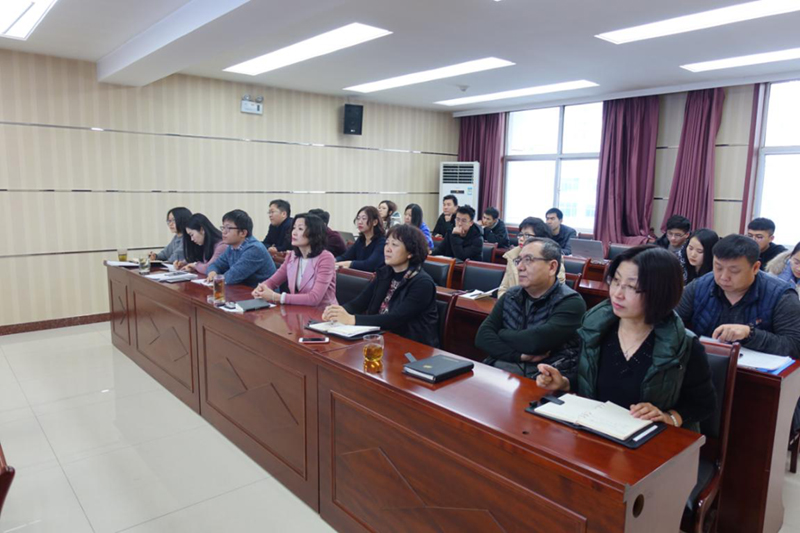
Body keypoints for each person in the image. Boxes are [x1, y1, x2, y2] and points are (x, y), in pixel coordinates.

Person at [537, 246, 717, 432]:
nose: (617, 293)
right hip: (596, 431)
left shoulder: (683, 344)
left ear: (660, 291)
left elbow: (703, 404)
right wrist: (564, 383)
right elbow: (589, 378)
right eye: (616, 281)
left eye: (631, 287)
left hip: (648, 440)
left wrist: (668, 417)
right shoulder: (595, 329)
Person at [476, 237, 586, 379]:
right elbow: (482, 337)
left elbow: (535, 342)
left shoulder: (570, 302)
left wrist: (501, 333)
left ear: (552, 267)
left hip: (544, 378)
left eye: (528, 260)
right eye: (519, 260)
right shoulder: (511, 295)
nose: (520, 267)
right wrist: (519, 356)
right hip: (503, 370)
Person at [676, 234, 800, 356]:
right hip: (705, 363)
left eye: (734, 271)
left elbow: (795, 345)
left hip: (755, 368)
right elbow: (672, 325)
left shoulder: (781, 296)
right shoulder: (699, 286)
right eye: (718, 268)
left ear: (755, 268)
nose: (724, 277)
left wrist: (750, 334)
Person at [322, 224, 439, 347]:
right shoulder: (384, 273)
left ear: (410, 252)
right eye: (387, 243)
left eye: (394, 245)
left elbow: (395, 318)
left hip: (413, 346)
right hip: (382, 338)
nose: (387, 249)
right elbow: (358, 303)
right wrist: (336, 312)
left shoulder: (422, 283)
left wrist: (352, 319)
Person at [252, 213, 337, 306]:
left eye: (300, 229)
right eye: (294, 228)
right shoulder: (292, 256)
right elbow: (273, 281)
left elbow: (314, 298)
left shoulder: (326, 258)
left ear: (314, 234)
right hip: (298, 310)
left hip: (324, 312)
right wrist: (261, 288)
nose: (294, 233)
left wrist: (276, 297)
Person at [207, 209, 276, 288]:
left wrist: (217, 278)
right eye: (223, 227)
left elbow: (231, 277)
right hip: (242, 291)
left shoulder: (254, 249)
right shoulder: (231, 247)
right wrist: (212, 272)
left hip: (261, 293)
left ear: (243, 233)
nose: (224, 232)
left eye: (228, 228)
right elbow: (215, 265)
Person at [499, 217, 565, 297]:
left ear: (540, 238)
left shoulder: (552, 258)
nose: (521, 239)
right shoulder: (512, 256)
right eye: (520, 235)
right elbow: (504, 288)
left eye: (527, 235)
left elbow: (557, 292)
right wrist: (507, 303)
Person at [335, 206, 386, 272]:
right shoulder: (361, 240)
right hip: (359, 276)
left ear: (375, 222)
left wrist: (348, 264)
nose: (360, 222)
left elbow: (370, 265)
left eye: (364, 218)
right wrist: (332, 261)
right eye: (358, 218)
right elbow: (345, 257)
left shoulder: (382, 241)